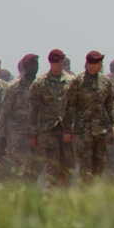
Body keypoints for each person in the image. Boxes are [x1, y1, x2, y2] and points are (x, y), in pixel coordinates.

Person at [66, 51, 114, 179]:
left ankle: (94, 191)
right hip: (82, 131)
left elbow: (111, 105)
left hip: (100, 130)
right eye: (98, 62)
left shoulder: (105, 81)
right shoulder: (77, 82)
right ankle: (85, 192)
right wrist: (67, 130)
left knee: (100, 164)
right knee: (85, 164)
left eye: (101, 62)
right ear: (89, 64)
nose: (101, 65)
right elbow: (70, 107)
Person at [28, 50, 75, 186]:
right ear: (50, 63)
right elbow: (33, 110)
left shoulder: (71, 82)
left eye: (61, 62)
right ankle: (50, 196)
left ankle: (63, 195)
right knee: (53, 164)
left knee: (68, 165)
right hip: (47, 129)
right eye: (57, 62)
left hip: (66, 129)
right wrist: (32, 133)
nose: (60, 65)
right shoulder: (40, 83)